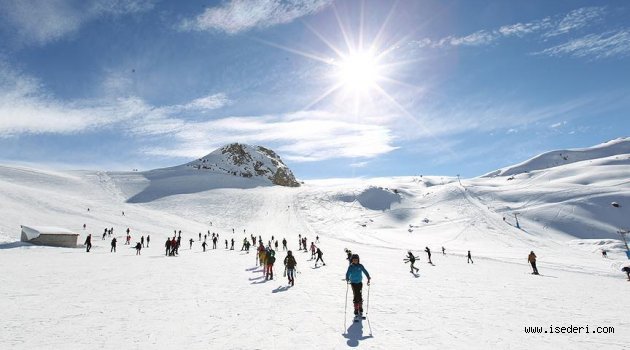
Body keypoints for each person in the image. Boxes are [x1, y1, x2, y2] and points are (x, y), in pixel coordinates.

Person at [346, 254, 371, 318]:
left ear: (358, 260)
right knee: (356, 295)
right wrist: (347, 278)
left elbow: (365, 271)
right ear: (352, 260)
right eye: (354, 260)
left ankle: (360, 307)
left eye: (356, 260)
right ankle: (356, 308)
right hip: (353, 283)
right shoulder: (351, 267)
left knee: (359, 294)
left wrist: (368, 277)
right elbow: (348, 273)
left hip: (359, 283)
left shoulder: (360, 266)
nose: (355, 261)